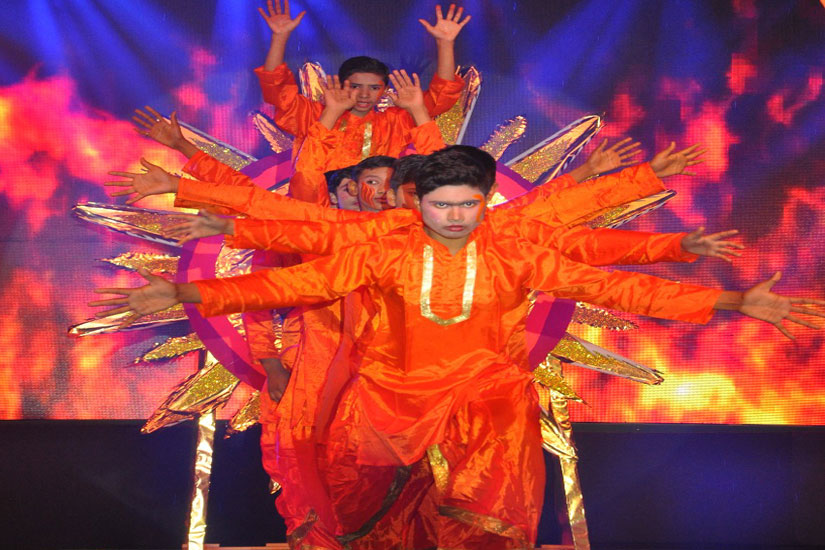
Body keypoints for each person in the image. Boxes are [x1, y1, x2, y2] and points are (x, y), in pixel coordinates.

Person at [92, 147, 822, 548]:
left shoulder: (512, 249)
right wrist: (185, 285)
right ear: (417, 204)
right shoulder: (381, 246)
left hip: (485, 403)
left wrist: (731, 300)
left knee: (486, 525)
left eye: (467, 205)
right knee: (359, 524)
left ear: (483, 202)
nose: (453, 217)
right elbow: (292, 268)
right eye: (440, 205)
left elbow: (609, 280)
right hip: (385, 404)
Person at [255, 1, 469, 169]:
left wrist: (445, 44)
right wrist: (279, 38)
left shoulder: (395, 121)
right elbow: (277, 89)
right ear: (343, 85)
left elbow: (442, 95)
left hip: (378, 208)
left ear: (384, 91)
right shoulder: (313, 114)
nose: (365, 94)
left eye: (374, 88)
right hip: (320, 207)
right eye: (356, 86)